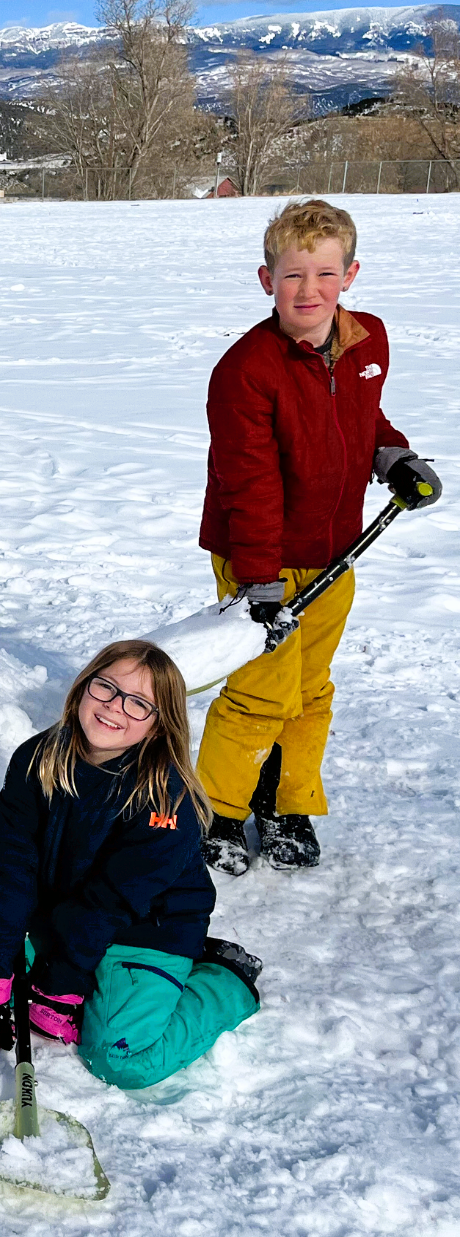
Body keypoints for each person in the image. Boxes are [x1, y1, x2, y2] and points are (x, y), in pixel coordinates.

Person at [196, 199, 442, 876]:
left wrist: (393, 457)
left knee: (311, 691)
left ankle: (288, 803)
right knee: (258, 692)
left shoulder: (368, 342)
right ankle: (218, 810)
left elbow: (362, 416)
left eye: (325, 274)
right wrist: (259, 580)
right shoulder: (244, 370)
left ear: (351, 274)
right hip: (259, 558)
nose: (310, 291)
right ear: (265, 279)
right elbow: (248, 482)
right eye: (293, 276)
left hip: (335, 550)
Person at [0, 640, 261, 1091]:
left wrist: (59, 982)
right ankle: (78, 977)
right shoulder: (37, 759)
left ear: (158, 725)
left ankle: (224, 981)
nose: (116, 707)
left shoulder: (166, 797)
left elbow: (112, 902)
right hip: (63, 916)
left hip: (141, 933)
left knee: (120, 1060)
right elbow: (14, 865)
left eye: (139, 704)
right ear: (83, 687)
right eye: (107, 688)